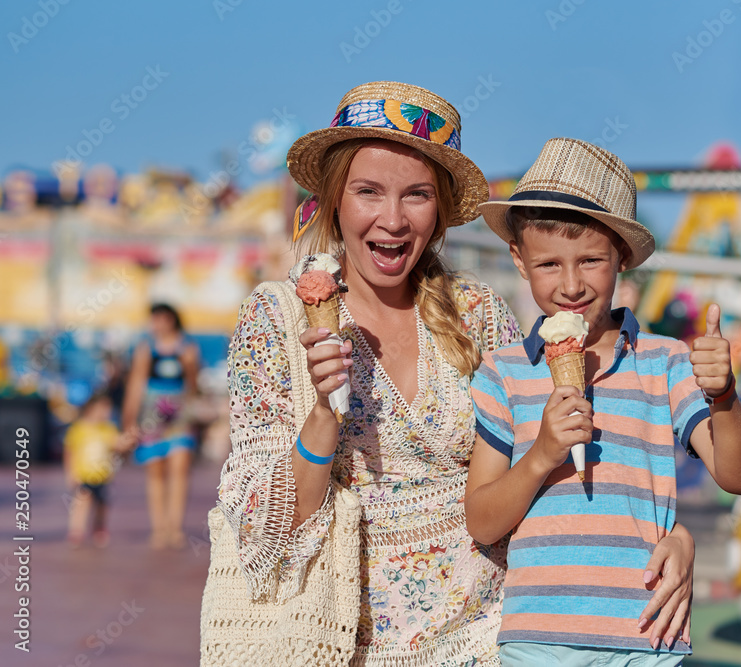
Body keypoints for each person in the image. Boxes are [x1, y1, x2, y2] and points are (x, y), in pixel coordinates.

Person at [200, 82, 697, 666]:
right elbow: (270, 533)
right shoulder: (275, 318)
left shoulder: (479, 312)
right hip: (337, 642)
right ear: (335, 199)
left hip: (488, 640)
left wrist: (674, 534)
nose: (392, 219)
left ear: (438, 214)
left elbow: (569, 457)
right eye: (368, 192)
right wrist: (321, 415)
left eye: (416, 195)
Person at [466, 138, 741, 665]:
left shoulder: (665, 362)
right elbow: (482, 521)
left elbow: (736, 476)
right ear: (519, 259)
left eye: (592, 261)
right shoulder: (502, 373)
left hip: (647, 635)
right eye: (549, 264)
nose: (572, 284)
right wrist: (540, 456)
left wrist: (724, 395)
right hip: (539, 639)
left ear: (621, 257)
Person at [121, 303, 200, 549]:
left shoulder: (188, 349)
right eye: (154, 320)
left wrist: (189, 366)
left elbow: (194, 386)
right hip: (151, 417)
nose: (157, 325)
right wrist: (129, 420)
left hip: (179, 416)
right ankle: (159, 528)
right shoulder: (146, 349)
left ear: (172, 320)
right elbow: (135, 385)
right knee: (155, 471)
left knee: (179, 469)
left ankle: (174, 527)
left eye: (162, 319)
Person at [64, 392, 125, 548]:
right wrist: (71, 473)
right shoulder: (79, 428)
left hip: (103, 476)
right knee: (81, 502)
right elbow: (70, 451)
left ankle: (99, 528)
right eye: (102, 409)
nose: (106, 413)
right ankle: (76, 530)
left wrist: (127, 442)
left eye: (108, 410)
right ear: (91, 408)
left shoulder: (109, 429)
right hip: (84, 474)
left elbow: (118, 444)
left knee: (102, 505)